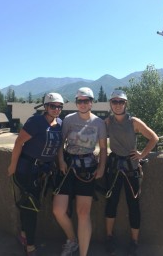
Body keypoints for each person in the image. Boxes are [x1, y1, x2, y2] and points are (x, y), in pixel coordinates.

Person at [8, 92, 64, 256]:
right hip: (27, 170)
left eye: (59, 107)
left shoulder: (60, 123)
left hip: (42, 172)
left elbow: (59, 146)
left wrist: (61, 162)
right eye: (53, 106)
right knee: (30, 207)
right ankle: (30, 246)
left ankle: (25, 236)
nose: (56, 109)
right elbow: (19, 141)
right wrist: (12, 165)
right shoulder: (36, 122)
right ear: (46, 107)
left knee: (30, 205)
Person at [52, 87, 107, 256]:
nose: (82, 104)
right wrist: (61, 160)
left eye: (86, 101)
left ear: (91, 102)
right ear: (76, 103)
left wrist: (102, 167)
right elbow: (61, 143)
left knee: (83, 213)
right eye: (79, 101)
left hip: (87, 169)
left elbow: (103, 148)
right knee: (58, 210)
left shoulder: (98, 123)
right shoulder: (68, 119)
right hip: (67, 167)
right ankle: (72, 239)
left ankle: (83, 253)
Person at [104, 89, 159, 256]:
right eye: (115, 102)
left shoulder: (133, 122)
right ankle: (109, 237)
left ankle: (134, 241)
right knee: (111, 204)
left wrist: (142, 154)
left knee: (133, 205)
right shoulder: (108, 122)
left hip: (131, 168)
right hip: (114, 167)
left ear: (125, 104)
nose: (118, 105)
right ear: (111, 104)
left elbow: (153, 137)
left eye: (121, 102)